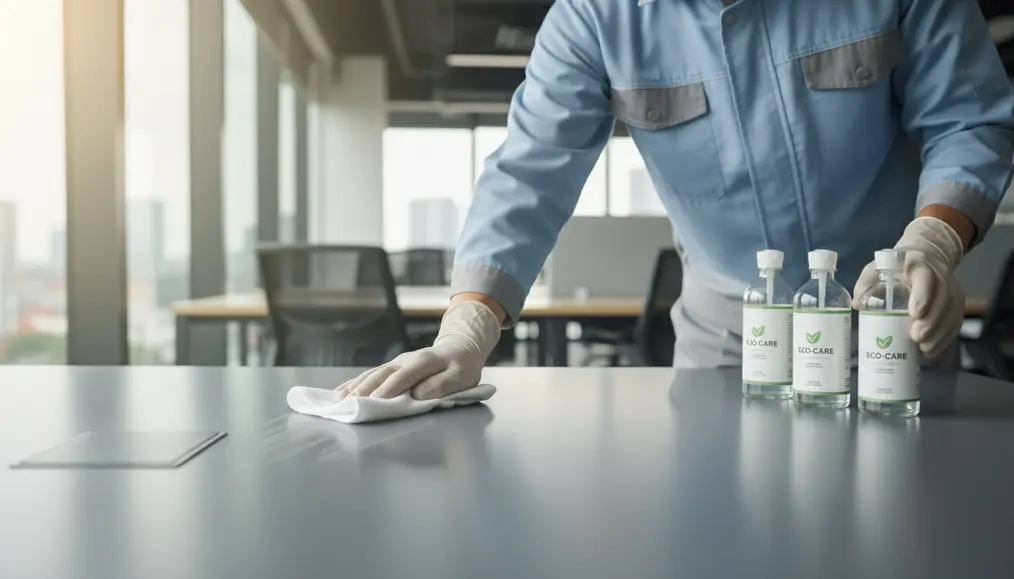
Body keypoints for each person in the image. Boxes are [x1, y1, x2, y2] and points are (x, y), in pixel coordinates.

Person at [336, 0, 1014, 400]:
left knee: (905, 531)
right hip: (725, 337)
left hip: (892, 315)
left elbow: (969, 117)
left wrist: (934, 240)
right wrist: (467, 327)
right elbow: (529, 171)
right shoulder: (594, 18)